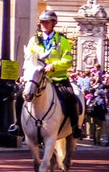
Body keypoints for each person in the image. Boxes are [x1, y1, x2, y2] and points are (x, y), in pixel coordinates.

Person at [9, 9, 84, 139]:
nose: (43, 24)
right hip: (37, 79)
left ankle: (75, 127)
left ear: (54, 23)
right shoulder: (34, 40)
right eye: (42, 22)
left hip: (57, 78)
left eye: (46, 22)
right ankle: (18, 126)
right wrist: (26, 76)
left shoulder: (62, 40)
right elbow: (29, 59)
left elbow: (68, 60)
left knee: (71, 98)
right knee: (20, 96)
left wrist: (53, 66)